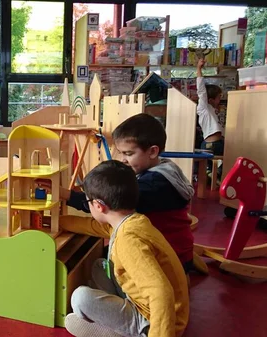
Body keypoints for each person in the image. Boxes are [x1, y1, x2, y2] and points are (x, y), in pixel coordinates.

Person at [47, 114, 195, 274]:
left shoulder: (152, 185)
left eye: (128, 154)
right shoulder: (164, 167)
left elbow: (105, 204)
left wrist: (66, 196)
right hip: (179, 252)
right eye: (121, 153)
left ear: (152, 151)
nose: (122, 159)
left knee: (103, 265)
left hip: (167, 261)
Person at [62, 160, 189, 337]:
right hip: (145, 303)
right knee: (100, 266)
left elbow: (161, 292)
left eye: (88, 201)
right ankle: (117, 322)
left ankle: (127, 332)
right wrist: (58, 223)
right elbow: (95, 227)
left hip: (152, 321)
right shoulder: (131, 221)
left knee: (80, 299)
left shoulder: (129, 241)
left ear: (98, 205)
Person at [197, 58, 224, 178]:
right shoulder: (204, 108)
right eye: (219, 97)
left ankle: (212, 174)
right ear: (211, 100)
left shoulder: (212, 110)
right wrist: (199, 69)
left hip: (216, 143)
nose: (220, 100)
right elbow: (201, 90)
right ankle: (210, 173)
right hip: (212, 144)